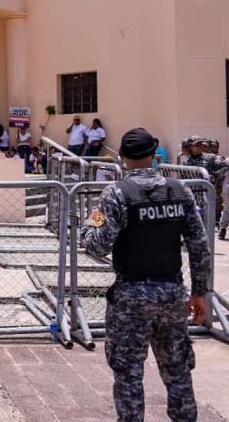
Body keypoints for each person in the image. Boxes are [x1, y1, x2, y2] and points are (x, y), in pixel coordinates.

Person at [81, 128, 210, 422]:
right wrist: (200, 292)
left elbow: (97, 243)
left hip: (131, 298)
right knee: (178, 370)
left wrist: (92, 219)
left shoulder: (115, 193)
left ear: (123, 158)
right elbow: (199, 246)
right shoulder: (180, 191)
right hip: (172, 294)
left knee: (128, 374)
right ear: (154, 155)